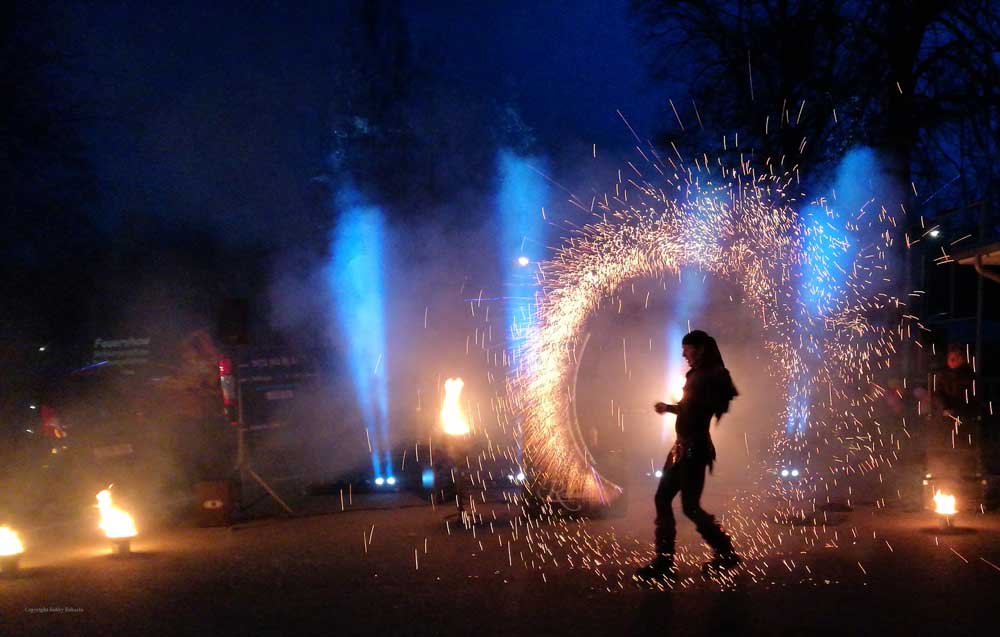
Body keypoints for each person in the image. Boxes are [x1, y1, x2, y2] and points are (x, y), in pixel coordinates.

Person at [636, 330, 740, 582]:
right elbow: (689, 407)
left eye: (687, 349)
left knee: (689, 506)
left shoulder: (712, 375)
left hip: (695, 449)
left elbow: (703, 406)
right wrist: (669, 408)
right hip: (681, 448)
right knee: (664, 499)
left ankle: (723, 554)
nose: (683, 354)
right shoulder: (698, 375)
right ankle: (666, 561)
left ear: (701, 348)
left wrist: (682, 405)